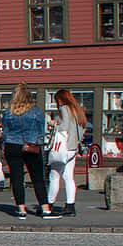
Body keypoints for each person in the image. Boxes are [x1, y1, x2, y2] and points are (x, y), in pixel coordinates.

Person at [2, 84, 50, 219]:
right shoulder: (36, 111)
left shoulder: (8, 112)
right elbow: (41, 130)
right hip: (31, 145)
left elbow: (5, 132)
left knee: (17, 178)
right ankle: (45, 208)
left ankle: (21, 209)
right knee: (37, 178)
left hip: (13, 145)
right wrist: (37, 142)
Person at [47, 90, 88, 218]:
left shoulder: (65, 108)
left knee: (54, 175)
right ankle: (70, 206)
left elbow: (63, 127)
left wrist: (52, 124)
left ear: (60, 99)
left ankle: (49, 204)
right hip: (73, 147)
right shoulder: (77, 110)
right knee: (69, 177)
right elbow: (81, 129)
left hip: (63, 147)